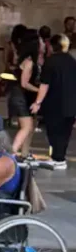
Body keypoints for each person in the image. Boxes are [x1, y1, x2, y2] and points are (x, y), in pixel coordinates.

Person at [33, 33, 76, 168]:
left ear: (52, 46)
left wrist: (37, 102)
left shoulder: (50, 61)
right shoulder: (72, 60)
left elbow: (45, 84)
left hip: (55, 103)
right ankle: (60, 157)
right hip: (71, 102)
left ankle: (57, 159)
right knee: (65, 131)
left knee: (54, 131)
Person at [9, 31, 42, 155]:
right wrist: (40, 90)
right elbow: (24, 83)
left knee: (30, 127)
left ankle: (24, 153)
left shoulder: (29, 61)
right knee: (26, 127)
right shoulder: (28, 62)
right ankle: (12, 154)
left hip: (26, 97)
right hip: (21, 97)